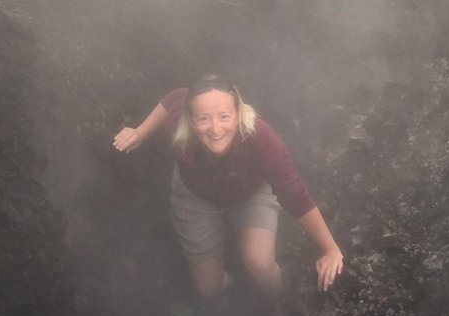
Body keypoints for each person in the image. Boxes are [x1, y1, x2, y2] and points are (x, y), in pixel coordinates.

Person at [113, 75, 343, 301]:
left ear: (238, 114)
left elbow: (295, 195)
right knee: (208, 290)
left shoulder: (259, 137)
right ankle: (234, 283)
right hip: (195, 196)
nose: (215, 128)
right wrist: (140, 132)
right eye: (203, 119)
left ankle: (278, 305)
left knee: (260, 266)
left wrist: (330, 250)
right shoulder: (178, 127)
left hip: (250, 193)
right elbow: (174, 98)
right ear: (190, 120)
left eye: (224, 117)